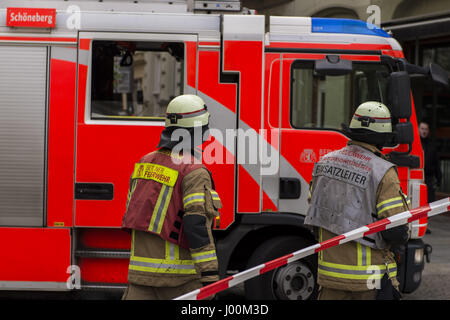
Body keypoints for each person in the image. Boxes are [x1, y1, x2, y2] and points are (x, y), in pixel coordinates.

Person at [305, 101, 410, 300]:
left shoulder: (323, 163)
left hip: (329, 279)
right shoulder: (382, 172)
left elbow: (314, 214)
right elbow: (396, 231)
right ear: (383, 138)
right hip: (368, 282)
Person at [121, 94, 222, 300]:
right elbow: (196, 224)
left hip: (139, 279)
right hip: (179, 281)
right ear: (196, 130)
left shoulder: (145, 162)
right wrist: (210, 274)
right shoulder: (193, 170)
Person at [419, 121, 442, 203]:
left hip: (429, 179)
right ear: (418, 129)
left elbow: (436, 163)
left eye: (426, 129)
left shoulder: (432, 145)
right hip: (417, 177)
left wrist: (438, 179)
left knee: (429, 203)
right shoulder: (415, 144)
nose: (424, 131)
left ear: (428, 131)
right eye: (422, 129)